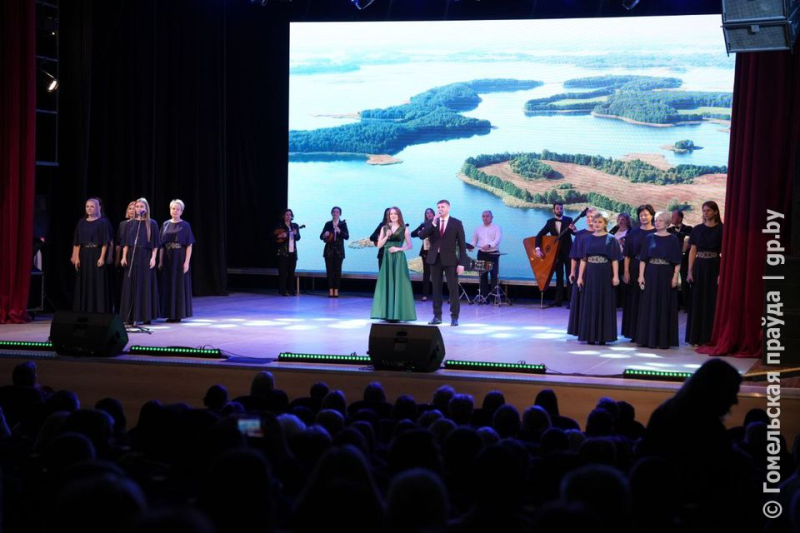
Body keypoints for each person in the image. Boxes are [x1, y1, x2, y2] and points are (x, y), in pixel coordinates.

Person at [418, 199, 469, 326]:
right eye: (438, 207)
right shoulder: (432, 222)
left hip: (450, 260)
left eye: (443, 207)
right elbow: (421, 235)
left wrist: (462, 263)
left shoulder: (456, 223)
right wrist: (433, 224)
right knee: (436, 288)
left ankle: (454, 317)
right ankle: (437, 316)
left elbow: (462, 245)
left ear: (448, 208)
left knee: (453, 289)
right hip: (435, 259)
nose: (440, 209)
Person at [636, 211, 682, 349]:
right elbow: (643, 259)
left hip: (665, 274)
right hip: (650, 273)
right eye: (656, 220)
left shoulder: (673, 239)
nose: (657, 222)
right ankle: (648, 338)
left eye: (660, 220)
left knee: (664, 304)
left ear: (667, 223)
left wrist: (675, 276)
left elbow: (677, 260)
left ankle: (663, 339)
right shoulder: (649, 238)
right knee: (649, 304)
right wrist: (641, 275)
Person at [576, 211, 620, 344]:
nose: (596, 224)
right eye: (595, 222)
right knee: (590, 302)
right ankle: (590, 335)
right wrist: (580, 277)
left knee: (604, 302)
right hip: (590, 273)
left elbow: (614, 260)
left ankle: (603, 336)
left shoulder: (611, 239)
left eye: (600, 222)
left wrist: (616, 276)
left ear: (605, 224)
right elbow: (583, 259)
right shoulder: (586, 239)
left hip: (605, 273)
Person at [686, 201, 723, 346]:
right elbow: (692, 251)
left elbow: (724, 253)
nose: (705, 213)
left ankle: (709, 337)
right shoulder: (697, 229)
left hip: (714, 266)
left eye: (708, 210)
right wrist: (690, 271)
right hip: (699, 266)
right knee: (698, 300)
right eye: (704, 210)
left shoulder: (722, 229)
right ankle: (696, 337)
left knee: (711, 301)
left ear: (715, 212)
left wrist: (722, 273)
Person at [370, 207, 416, 322]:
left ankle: (397, 313)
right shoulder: (384, 228)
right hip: (386, 258)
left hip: (399, 258)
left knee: (399, 284)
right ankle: (387, 313)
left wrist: (398, 248)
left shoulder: (404, 229)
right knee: (387, 283)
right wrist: (386, 236)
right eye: (391, 214)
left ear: (399, 215)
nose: (393, 215)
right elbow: (379, 245)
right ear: (388, 215)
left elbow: (410, 246)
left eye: (395, 213)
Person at [120, 198, 160, 325]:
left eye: (141, 206)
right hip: (132, 255)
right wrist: (123, 256)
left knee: (145, 285)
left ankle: (146, 315)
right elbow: (126, 243)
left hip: (145, 255)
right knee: (131, 284)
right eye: (137, 206)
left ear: (146, 208)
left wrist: (153, 258)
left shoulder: (152, 223)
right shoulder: (129, 224)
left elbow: (155, 244)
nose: (139, 208)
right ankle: (130, 316)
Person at [71, 198, 113, 313]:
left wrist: (102, 257)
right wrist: (77, 257)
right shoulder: (81, 222)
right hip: (84, 255)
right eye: (87, 206)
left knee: (97, 282)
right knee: (84, 281)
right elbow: (78, 242)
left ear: (98, 208)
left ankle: (98, 310)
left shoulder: (102, 222)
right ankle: (84, 309)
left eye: (92, 206)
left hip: (96, 253)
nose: (89, 208)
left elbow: (105, 242)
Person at [622, 204, 656, 342]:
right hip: (635, 267)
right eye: (641, 215)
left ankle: (649, 331)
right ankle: (635, 332)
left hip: (653, 268)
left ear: (652, 216)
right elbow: (627, 255)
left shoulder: (657, 232)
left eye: (646, 214)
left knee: (649, 300)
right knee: (635, 300)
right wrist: (626, 272)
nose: (643, 217)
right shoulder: (633, 233)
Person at [158, 199, 195, 322]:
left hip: (179, 257)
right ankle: (169, 313)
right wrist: (160, 261)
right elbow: (161, 245)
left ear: (182, 211)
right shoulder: (165, 224)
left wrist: (186, 262)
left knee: (178, 285)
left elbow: (189, 245)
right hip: (168, 257)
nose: (175, 211)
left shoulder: (185, 225)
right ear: (170, 210)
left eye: (178, 209)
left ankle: (178, 314)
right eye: (173, 208)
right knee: (168, 284)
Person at [535, 202, 575, 307]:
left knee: (570, 277)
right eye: (557, 208)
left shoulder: (569, 220)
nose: (559, 210)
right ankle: (558, 301)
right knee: (559, 277)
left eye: (561, 208)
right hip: (555, 254)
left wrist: (574, 229)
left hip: (568, 253)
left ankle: (571, 301)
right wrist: (538, 249)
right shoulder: (550, 222)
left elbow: (574, 233)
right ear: (553, 210)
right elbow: (540, 235)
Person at [567, 207, 596, 335]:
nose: (591, 219)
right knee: (581, 299)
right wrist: (573, 272)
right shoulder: (580, 235)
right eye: (589, 217)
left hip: (597, 270)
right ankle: (581, 329)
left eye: (593, 217)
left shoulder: (604, 234)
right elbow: (574, 255)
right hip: (581, 271)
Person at [471, 210, 503, 301]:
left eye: (487, 216)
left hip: (493, 254)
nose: (485, 218)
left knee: (493, 275)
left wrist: (489, 245)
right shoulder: (478, 228)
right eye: (483, 216)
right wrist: (471, 247)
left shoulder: (497, 227)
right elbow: (474, 240)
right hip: (482, 254)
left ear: (492, 217)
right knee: (482, 276)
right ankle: (485, 297)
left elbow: (497, 239)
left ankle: (494, 298)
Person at [320, 206, 349, 298]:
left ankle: (336, 290)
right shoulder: (328, 224)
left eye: (337, 212)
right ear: (332, 213)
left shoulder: (342, 224)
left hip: (339, 251)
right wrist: (325, 234)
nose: (335, 214)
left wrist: (339, 231)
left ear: (340, 214)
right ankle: (330, 290)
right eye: (334, 212)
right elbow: (321, 236)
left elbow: (347, 236)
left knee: (337, 271)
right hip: (328, 250)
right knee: (329, 271)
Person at [667, 210, 693, 311]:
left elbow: (689, 242)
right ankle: (674, 305)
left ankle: (687, 305)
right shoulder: (669, 230)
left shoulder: (689, 229)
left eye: (673, 216)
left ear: (680, 218)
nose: (671, 218)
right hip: (672, 260)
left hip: (685, 259)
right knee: (672, 281)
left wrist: (679, 234)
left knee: (685, 282)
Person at [114, 201, 136, 313]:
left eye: (134, 208)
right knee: (122, 285)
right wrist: (117, 259)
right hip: (123, 255)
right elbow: (118, 243)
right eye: (130, 208)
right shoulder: (123, 224)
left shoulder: (139, 224)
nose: (131, 211)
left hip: (134, 254)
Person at [274, 209, 301, 296]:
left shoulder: (295, 226)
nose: (288, 216)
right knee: (282, 272)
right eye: (286, 214)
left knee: (291, 272)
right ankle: (282, 290)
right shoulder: (280, 225)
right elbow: (274, 237)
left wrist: (295, 233)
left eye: (290, 215)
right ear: (283, 216)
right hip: (283, 252)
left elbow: (298, 238)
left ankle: (291, 290)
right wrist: (282, 235)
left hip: (292, 252)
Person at [410, 208, 435, 301]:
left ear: (434, 214)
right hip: (425, 252)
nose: (428, 214)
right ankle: (425, 294)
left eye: (430, 213)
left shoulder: (438, 224)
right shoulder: (423, 225)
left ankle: (436, 294)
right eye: (427, 213)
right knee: (426, 273)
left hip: (436, 252)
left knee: (436, 273)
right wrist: (419, 232)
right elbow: (412, 234)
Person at [612, 213, 631, 308]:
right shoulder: (614, 230)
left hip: (625, 259)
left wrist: (623, 244)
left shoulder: (630, 232)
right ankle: (615, 302)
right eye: (619, 219)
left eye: (623, 219)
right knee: (615, 280)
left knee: (624, 280)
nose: (620, 221)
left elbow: (632, 247)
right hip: (614, 259)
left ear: (627, 220)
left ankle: (624, 302)